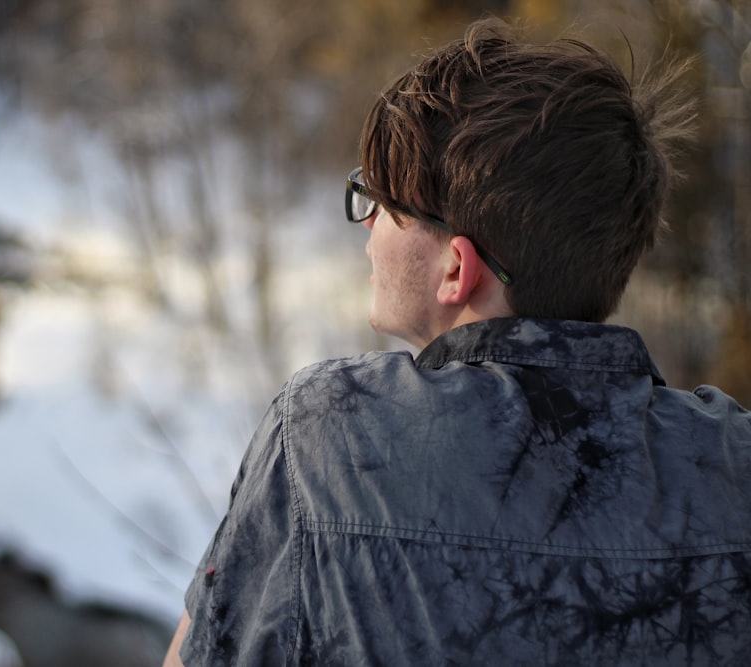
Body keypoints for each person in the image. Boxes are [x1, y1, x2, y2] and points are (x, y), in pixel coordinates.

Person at [163, 17, 751, 666]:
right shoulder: (733, 460)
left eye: (384, 205)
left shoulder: (326, 438)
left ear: (456, 270)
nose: (367, 231)